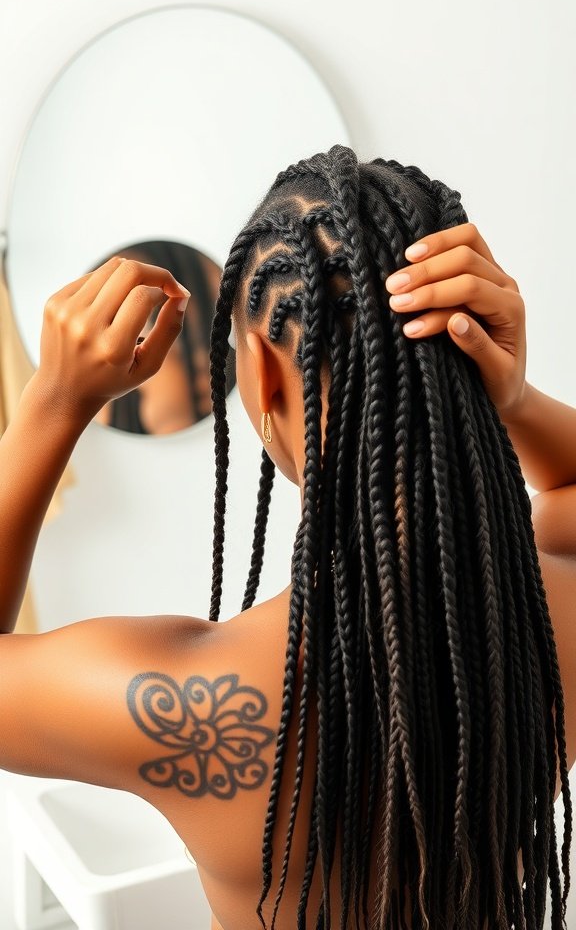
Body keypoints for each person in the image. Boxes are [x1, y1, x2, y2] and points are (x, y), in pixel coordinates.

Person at [0, 144, 573, 930]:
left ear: (263, 381)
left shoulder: (187, 699)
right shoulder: (551, 619)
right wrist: (513, 393)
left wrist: (51, 403)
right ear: (474, 356)